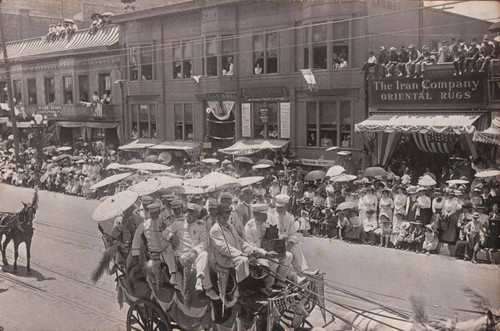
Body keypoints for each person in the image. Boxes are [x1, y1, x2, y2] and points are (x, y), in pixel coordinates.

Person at [162, 203, 217, 298]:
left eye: (192, 212)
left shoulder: (201, 225)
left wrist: (195, 252)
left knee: (204, 254)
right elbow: (165, 232)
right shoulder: (179, 223)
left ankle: (202, 284)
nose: (188, 214)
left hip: (195, 256)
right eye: (188, 211)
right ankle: (206, 287)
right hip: (181, 256)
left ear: (197, 215)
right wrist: (171, 236)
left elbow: (204, 243)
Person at [244, 203, 295, 293]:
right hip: (256, 254)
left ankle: (279, 281)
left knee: (288, 256)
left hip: (270, 251)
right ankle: (268, 286)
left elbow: (276, 236)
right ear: (256, 214)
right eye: (264, 215)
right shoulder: (249, 227)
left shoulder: (267, 223)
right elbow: (250, 246)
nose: (266, 216)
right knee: (274, 261)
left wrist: (282, 240)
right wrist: (265, 253)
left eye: (266, 214)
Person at [209, 204, 266, 284]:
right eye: (223, 217)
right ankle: (241, 286)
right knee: (243, 260)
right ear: (218, 217)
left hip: (237, 255)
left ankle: (257, 285)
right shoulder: (215, 230)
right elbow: (224, 248)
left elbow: (241, 242)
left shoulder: (230, 226)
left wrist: (252, 251)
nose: (225, 219)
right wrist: (242, 254)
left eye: (227, 216)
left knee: (257, 261)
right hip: (225, 259)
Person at [268, 194, 313, 273]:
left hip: (284, 244)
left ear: (286, 206)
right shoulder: (270, 215)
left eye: (281, 207)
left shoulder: (290, 217)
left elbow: (292, 233)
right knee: (288, 255)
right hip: (272, 244)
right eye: (278, 207)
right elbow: (269, 232)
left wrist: (291, 241)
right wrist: (281, 237)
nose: (279, 209)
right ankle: (295, 275)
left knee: (296, 247)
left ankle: (304, 271)